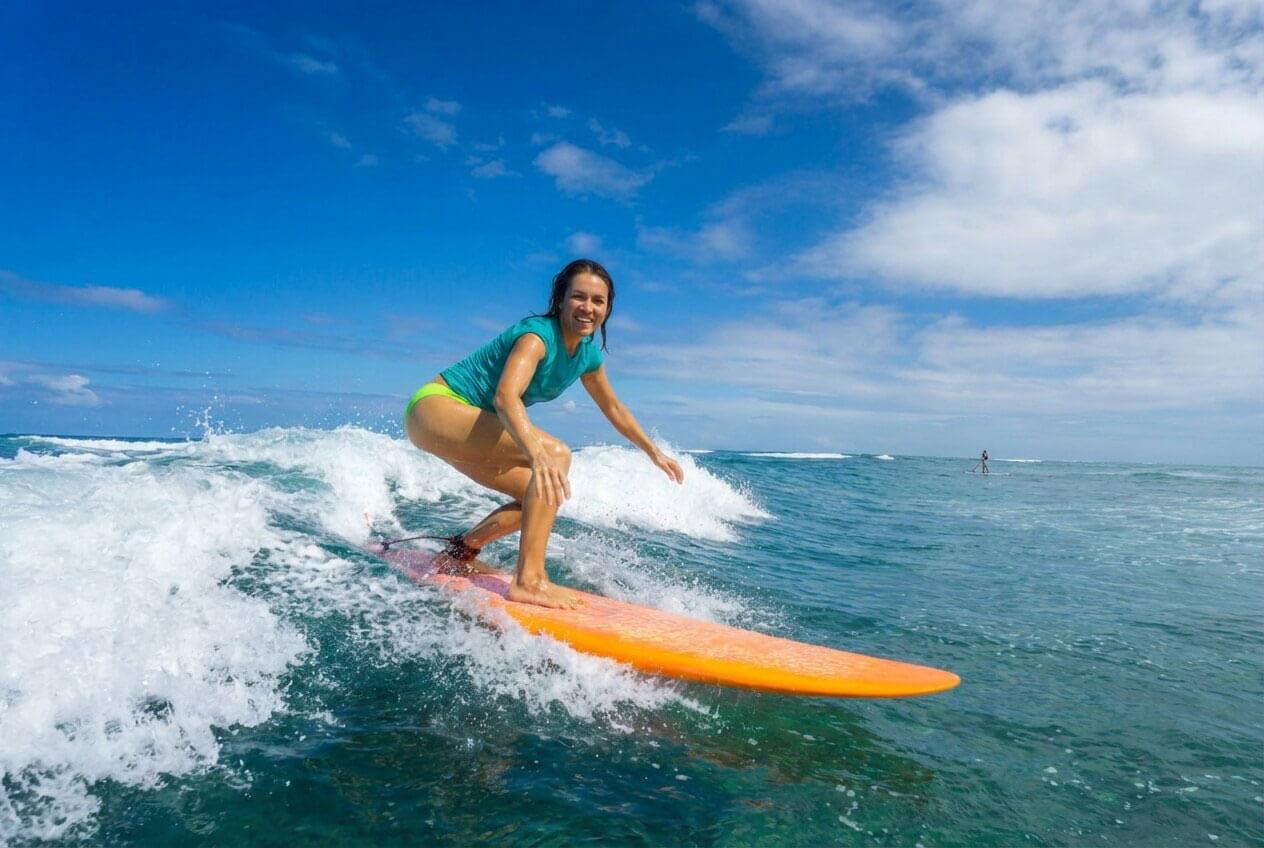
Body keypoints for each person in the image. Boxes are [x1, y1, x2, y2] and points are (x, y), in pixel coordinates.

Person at [403, 259, 684, 609]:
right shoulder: (537, 337)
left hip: (464, 426)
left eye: (598, 300)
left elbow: (613, 408)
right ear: (561, 300)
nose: (588, 307)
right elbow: (505, 397)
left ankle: (461, 551)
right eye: (579, 297)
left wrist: (653, 452)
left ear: (608, 308)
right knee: (556, 457)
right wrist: (538, 454)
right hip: (436, 409)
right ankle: (530, 580)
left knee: (539, 499)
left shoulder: (587, 356)